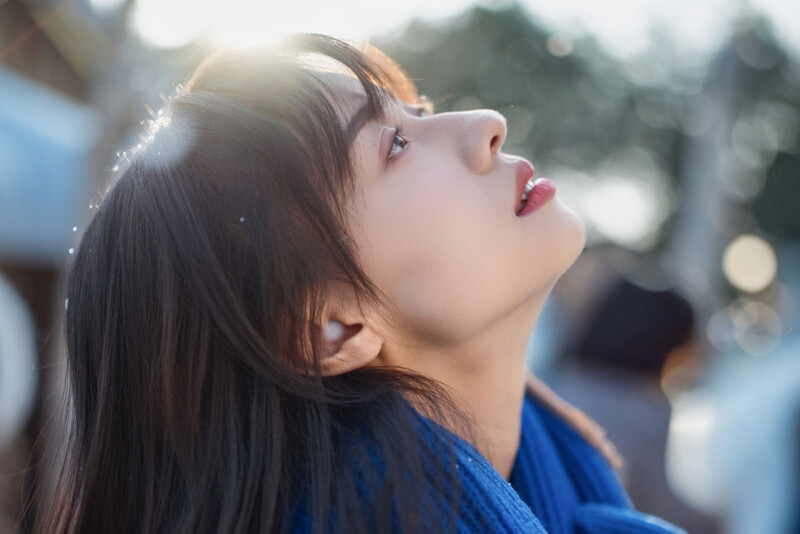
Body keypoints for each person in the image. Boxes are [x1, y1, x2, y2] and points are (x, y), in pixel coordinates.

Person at [39, 34, 686, 533]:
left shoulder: (581, 490)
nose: (486, 124)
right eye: (397, 144)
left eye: (420, 110)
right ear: (333, 327)